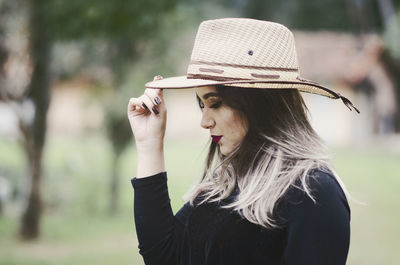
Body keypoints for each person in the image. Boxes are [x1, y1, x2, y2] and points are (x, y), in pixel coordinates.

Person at [127, 18, 358, 265]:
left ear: (258, 103)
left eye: (215, 103)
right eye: (202, 104)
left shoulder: (312, 192)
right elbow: (164, 256)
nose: (204, 121)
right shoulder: (223, 185)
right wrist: (149, 143)